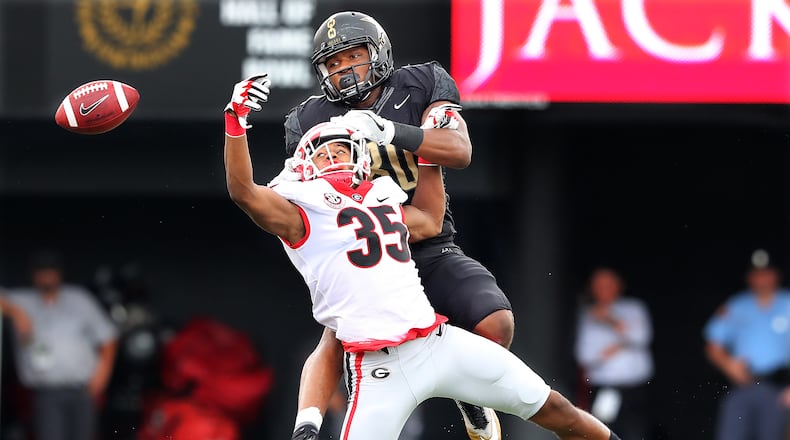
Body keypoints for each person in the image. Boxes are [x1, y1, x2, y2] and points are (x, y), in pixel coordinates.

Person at [222, 77, 623, 440]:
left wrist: (428, 152)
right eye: (325, 155)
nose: (336, 159)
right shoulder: (300, 211)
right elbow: (244, 191)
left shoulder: (380, 195)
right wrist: (236, 124)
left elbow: (430, 220)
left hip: (437, 343)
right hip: (378, 370)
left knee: (557, 409)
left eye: (343, 150)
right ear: (305, 167)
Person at [280, 11, 514, 440]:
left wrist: (390, 130)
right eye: (333, 63)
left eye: (354, 56)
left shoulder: (420, 85)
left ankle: (470, 398)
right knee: (334, 336)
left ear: (379, 54)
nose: (345, 70)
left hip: (426, 238)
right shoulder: (310, 119)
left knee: (495, 324)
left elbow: (459, 151)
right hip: (364, 249)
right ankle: (306, 428)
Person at [0, 250, 119, 440]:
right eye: (41, 271)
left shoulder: (79, 299)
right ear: (33, 275)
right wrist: (14, 311)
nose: (46, 276)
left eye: (51, 271)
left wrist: (103, 373)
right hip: (47, 392)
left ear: (59, 274)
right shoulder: (23, 300)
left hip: (82, 390)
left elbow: (108, 336)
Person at [703, 262, 790, 440]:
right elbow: (713, 343)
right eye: (756, 274)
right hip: (742, 385)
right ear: (749, 278)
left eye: (766, 273)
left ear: (776, 275)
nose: (762, 279)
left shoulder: (787, 302)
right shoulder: (736, 305)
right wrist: (727, 364)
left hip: (779, 389)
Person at [574, 267, 654, 440]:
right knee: (602, 431)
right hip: (605, 388)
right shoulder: (588, 315)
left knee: (636, 432)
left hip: (635, 388)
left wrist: (610, 320)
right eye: (599, 285)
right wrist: (620, 345)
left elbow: (641, 337)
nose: (604, 290)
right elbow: (584, 355)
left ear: (619, 285)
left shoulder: (633, 308)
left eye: (608, 284)